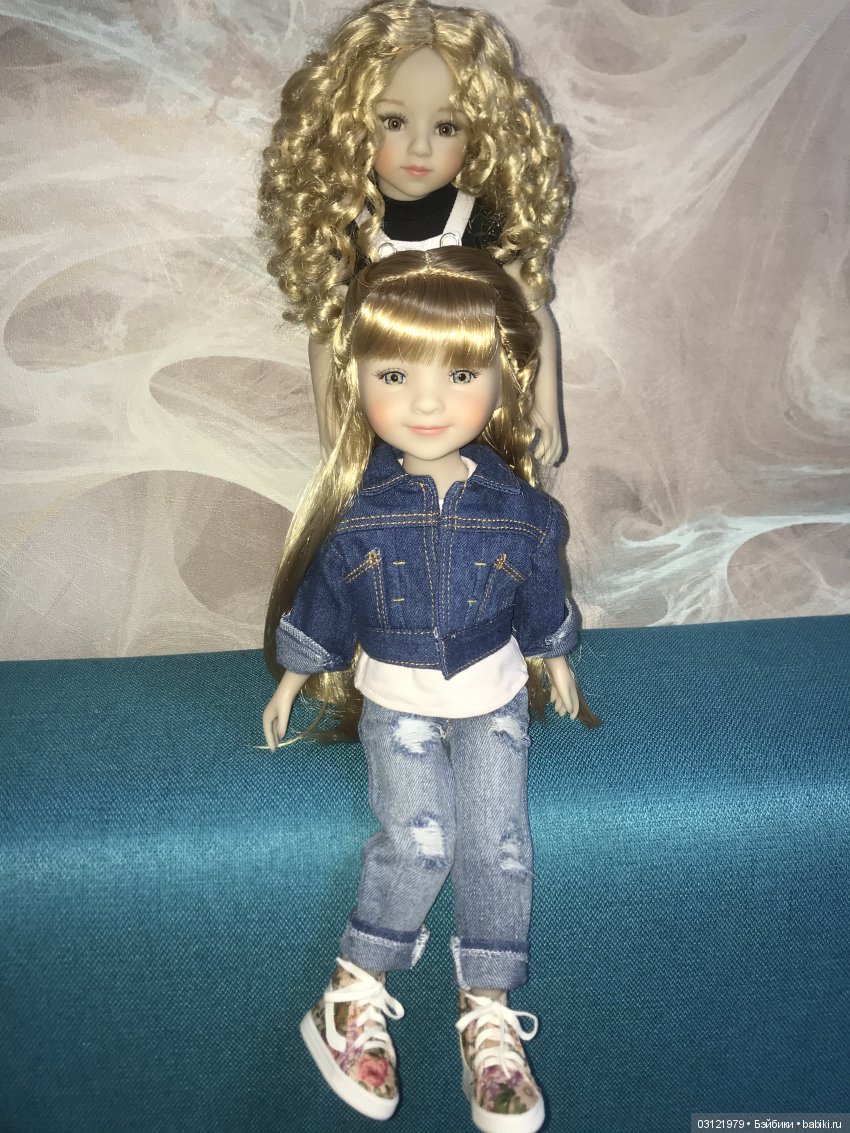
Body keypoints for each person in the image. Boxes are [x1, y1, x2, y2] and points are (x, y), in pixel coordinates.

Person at [261, 248, 599, 1133]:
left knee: (500, 845)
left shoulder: (524, 511)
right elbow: (326, 601)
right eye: (394, 375)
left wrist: (556, 657)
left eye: (459, 373)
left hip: (493, 696)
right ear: (358, 381)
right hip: (399, 701)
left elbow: (542, 598)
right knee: (418, 841)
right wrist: (294, 673)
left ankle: (487, 1012)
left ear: (500, 378)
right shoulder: (361, 513)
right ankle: (350, 990)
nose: (426, 402)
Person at [259, 0, 573, 463]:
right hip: (387, 423)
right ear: (350, 124)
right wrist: (332, 430)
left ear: (479, 135)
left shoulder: (483, 221)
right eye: (394, 122)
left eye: (446, 127)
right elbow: (327, 333)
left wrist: (545, 408)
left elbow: (531, 312)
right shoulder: (351, 230)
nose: (421, 147)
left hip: (471, 417)